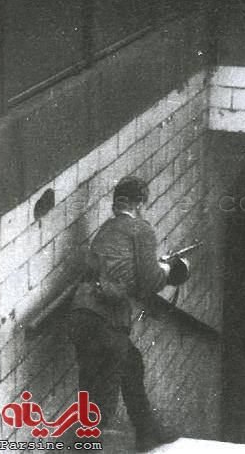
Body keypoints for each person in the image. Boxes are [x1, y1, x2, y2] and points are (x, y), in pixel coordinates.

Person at [68, 176, 189, 451]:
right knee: (105, 394)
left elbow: (116, 271)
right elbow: (149, 282)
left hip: (80, 313)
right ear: (140, 203)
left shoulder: (106, 229)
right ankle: (91, 444)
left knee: (126, 365)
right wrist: (167, 269)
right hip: (105, 319)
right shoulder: (140, 229)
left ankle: (147, 432)